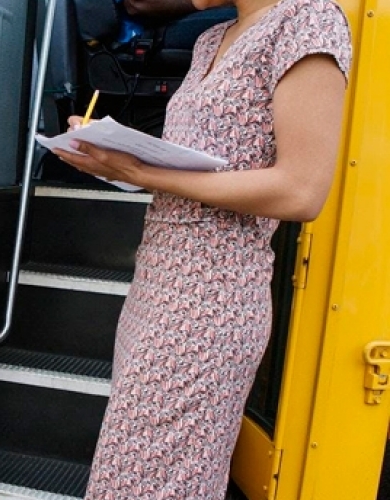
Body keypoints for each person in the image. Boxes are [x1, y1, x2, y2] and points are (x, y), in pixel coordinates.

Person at [53, 0, 352, 498]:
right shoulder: (211, 40)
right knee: (132, 474)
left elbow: (302, 190)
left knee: (154, 482)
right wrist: (115, 161)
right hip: (156, 286)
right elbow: (197, 171)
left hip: (211, 304)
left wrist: (140, 172)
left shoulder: (309, 18)